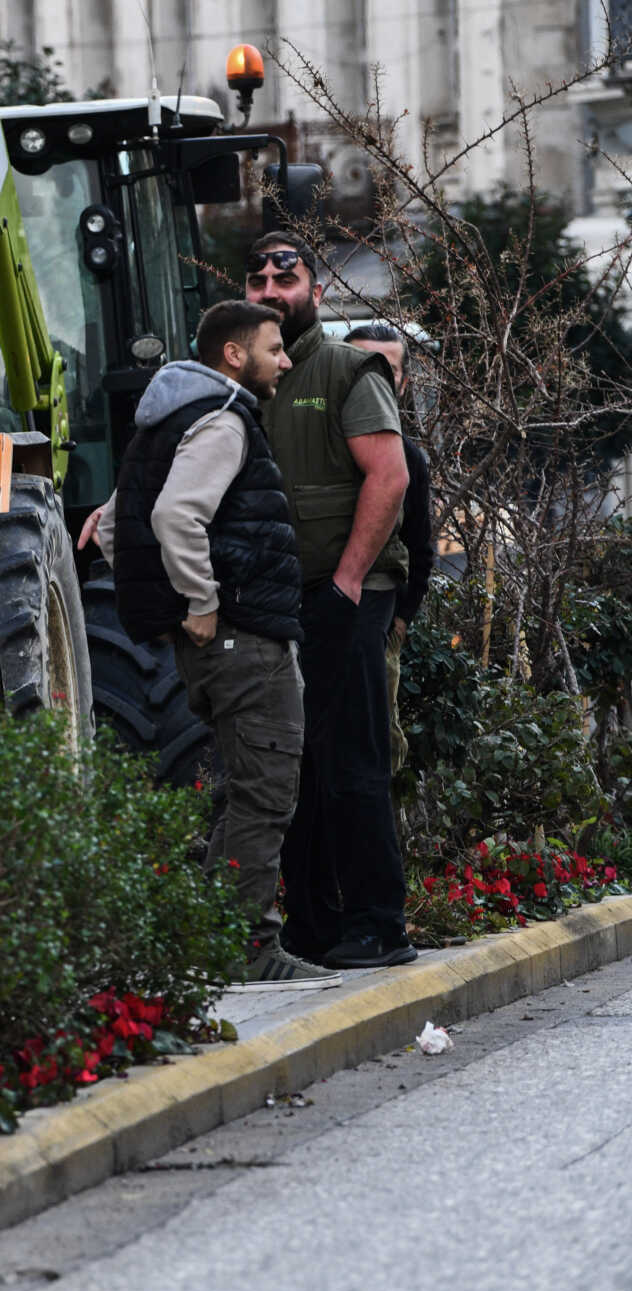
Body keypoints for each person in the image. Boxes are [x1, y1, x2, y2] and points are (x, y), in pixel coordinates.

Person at [82, 300, 323, 983]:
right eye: (274, 348)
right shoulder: (221, 420)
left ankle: (214, 939)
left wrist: (165, 602)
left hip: (219, 647)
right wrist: (201, 601)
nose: (285, 360)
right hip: (244, 639)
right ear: (233, 355)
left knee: (243, 789)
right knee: (266, 791)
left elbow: (111, 529)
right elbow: (174, 514)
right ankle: (250, 949)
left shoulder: (162, 421)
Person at [246, 234, 413, 969]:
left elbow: (390, 476)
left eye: (287, 275)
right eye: (258, 279)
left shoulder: (349, 369)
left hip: (351, 591)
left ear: (317, 290)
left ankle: (379, 922)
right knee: (294, 766)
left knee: (352, 760)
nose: (272, 288)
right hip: (281, 598)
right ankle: (314, 926)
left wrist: (348, 582)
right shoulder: (239, 380)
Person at [347, 323, 437, 776]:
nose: (374, 383)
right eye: (363, 367)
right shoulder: (316, 448)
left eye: (388, 372)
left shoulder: (409, 459)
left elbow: (422, 550)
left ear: (402, 384)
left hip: (378, 624)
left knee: (379, 745)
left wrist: (398, 625)